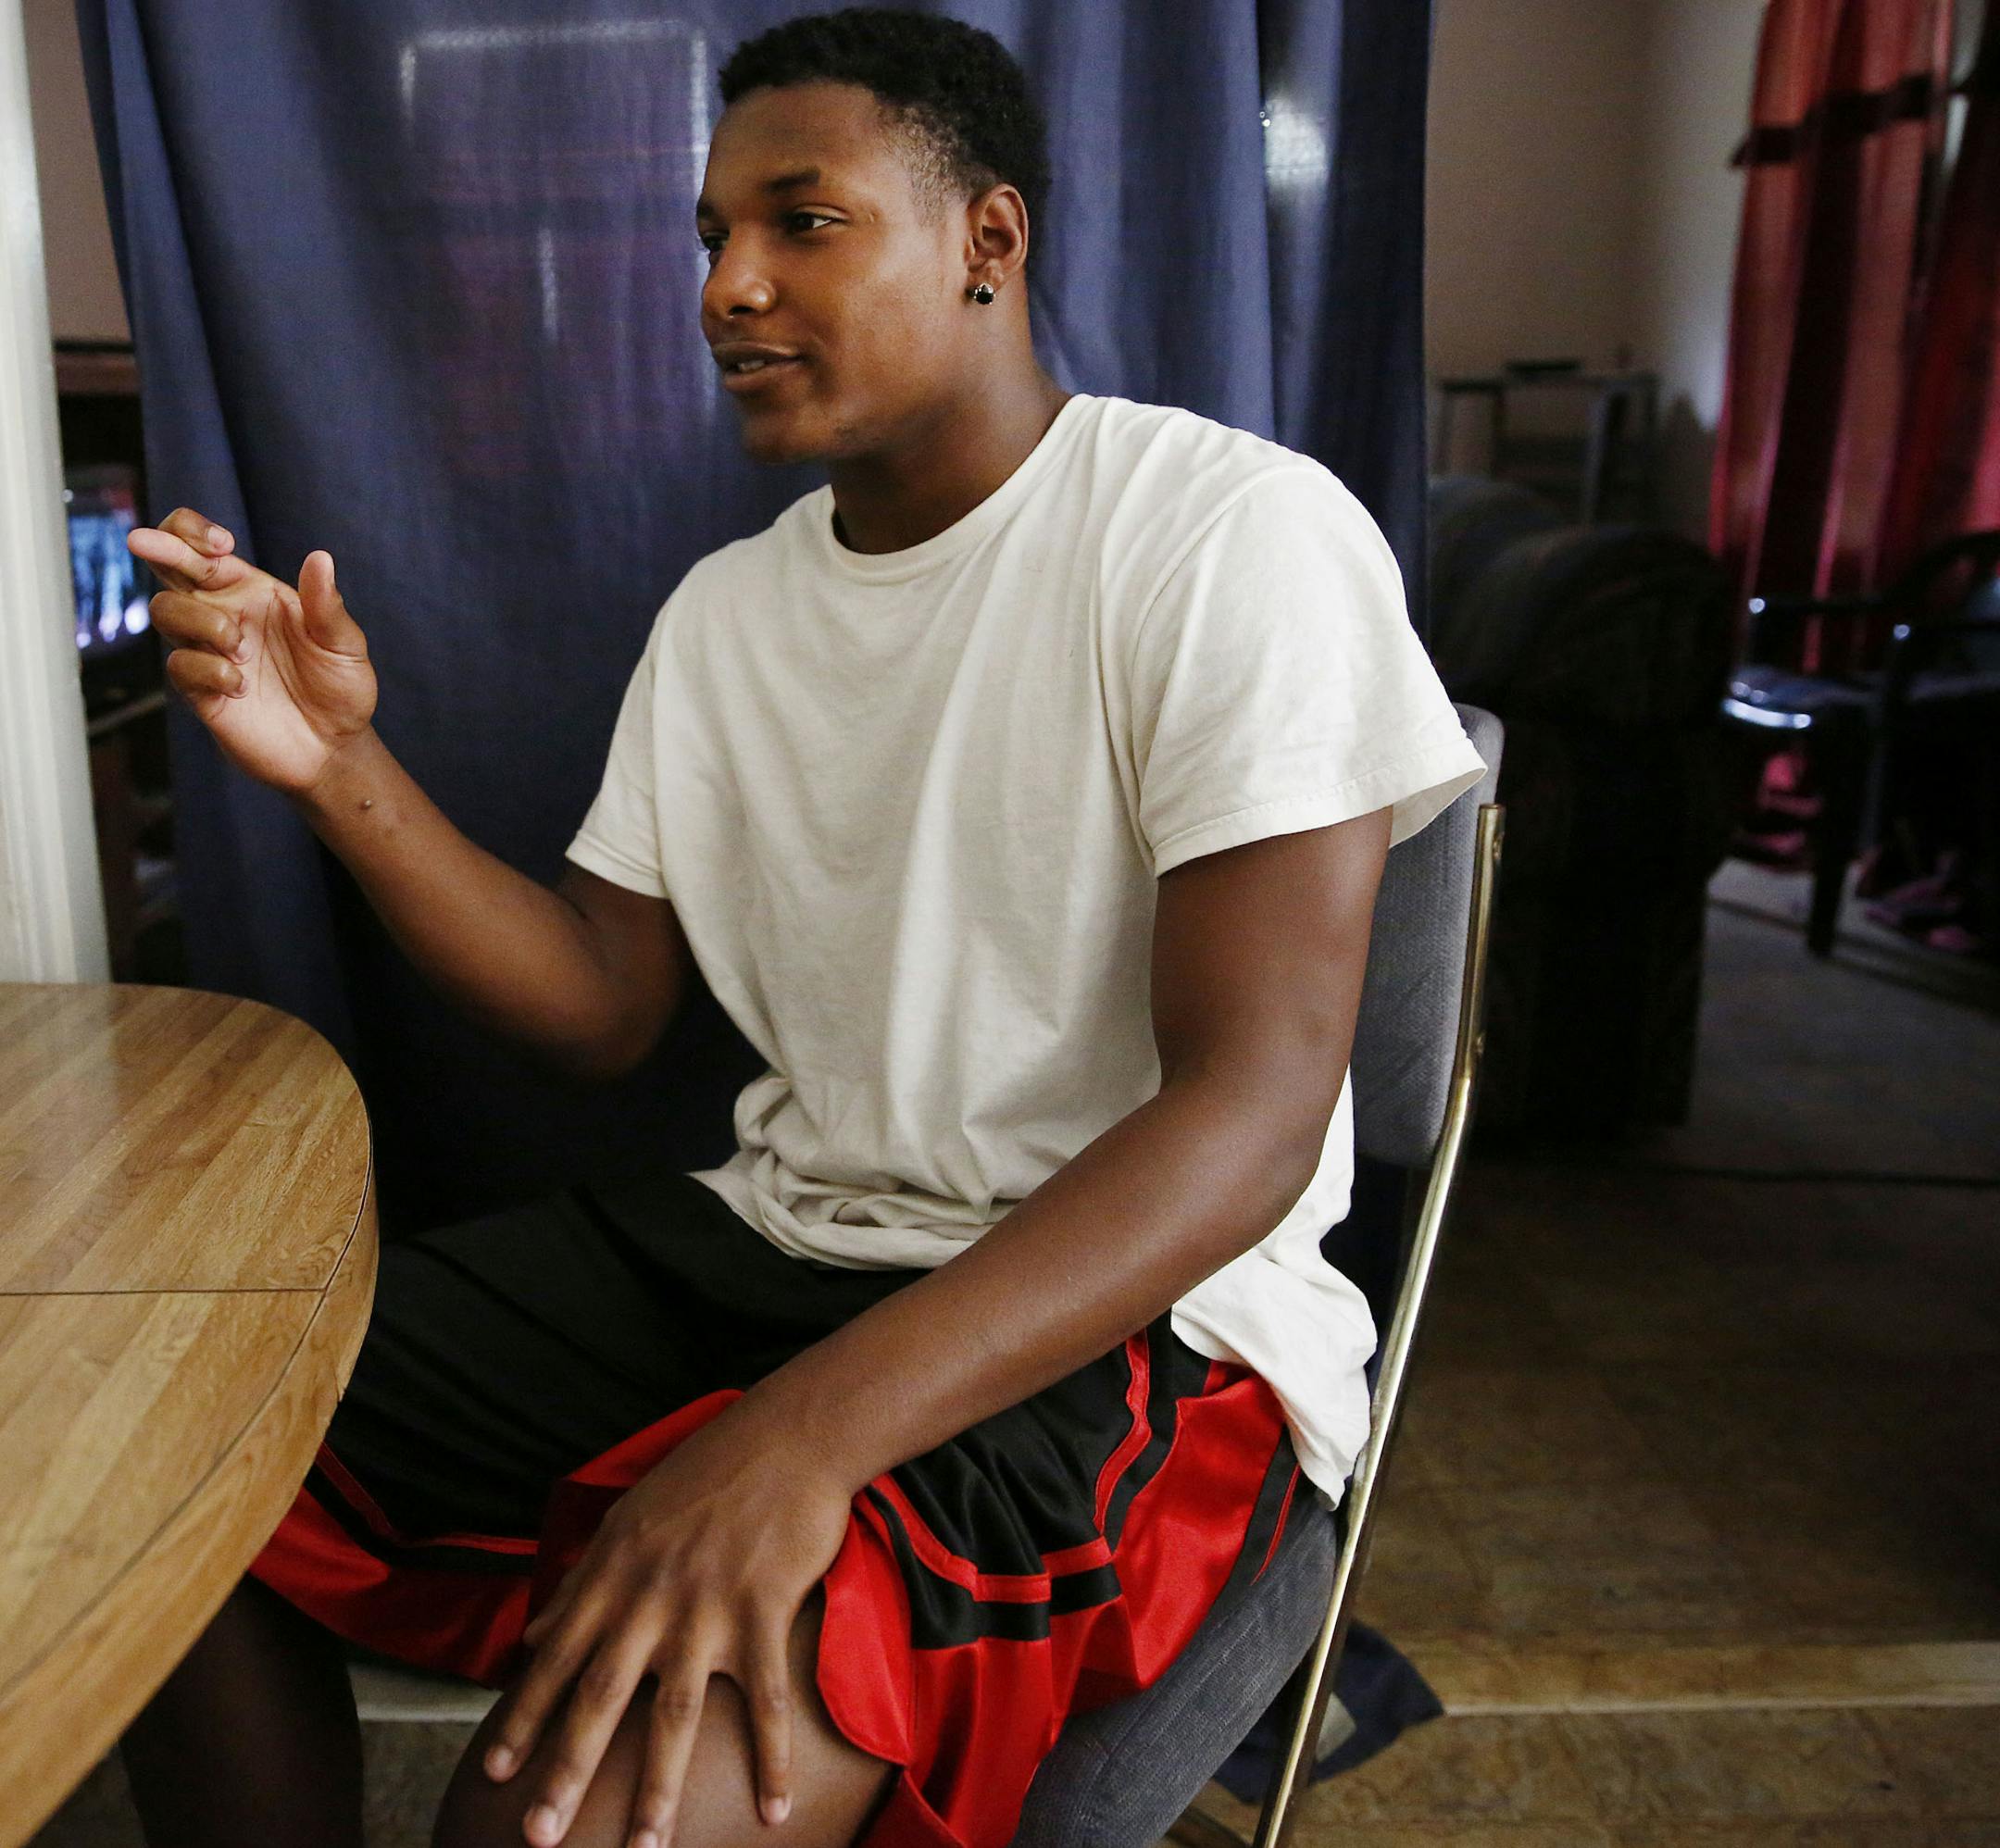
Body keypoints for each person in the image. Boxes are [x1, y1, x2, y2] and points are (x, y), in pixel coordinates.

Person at [122, 11, 1483, 1848]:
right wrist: (337, 767)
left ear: (988, 240)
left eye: (803, 220)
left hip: (1146, 1323)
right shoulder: (729, 613)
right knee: (165, 1461)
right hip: (782, 1239)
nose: (729, 287)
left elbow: (1245, 1116)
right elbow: (598, 1007)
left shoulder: (1226, 535)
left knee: (553, 1815)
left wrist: (793, 1436)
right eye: (709, 236)